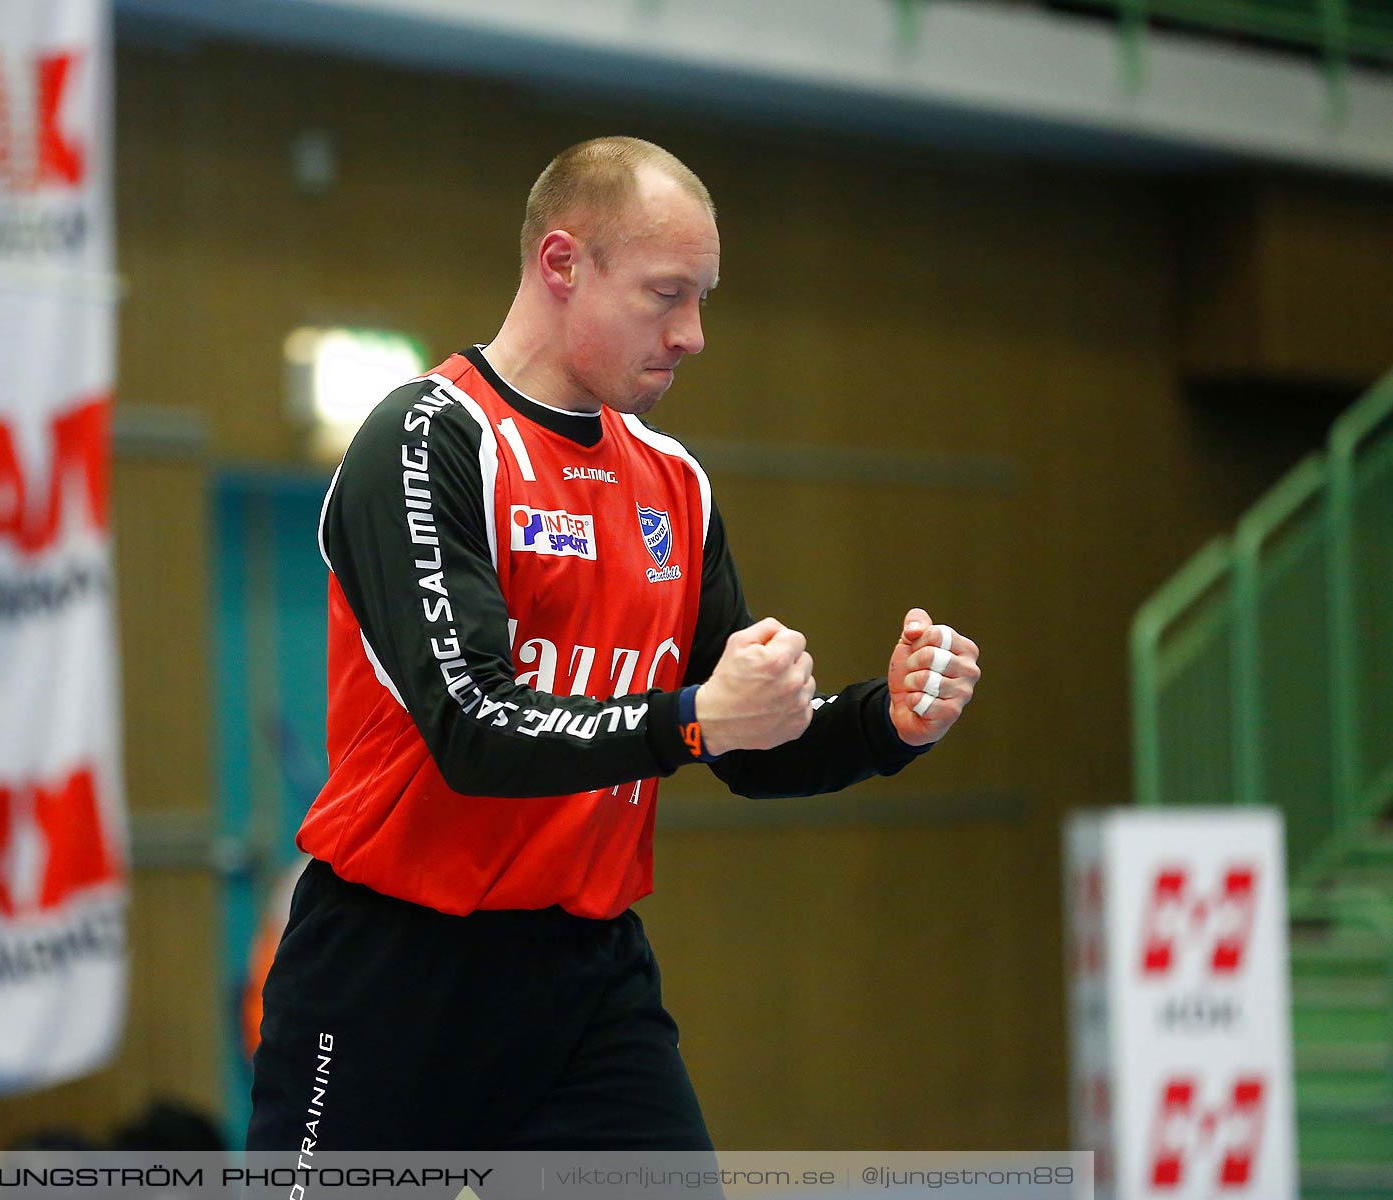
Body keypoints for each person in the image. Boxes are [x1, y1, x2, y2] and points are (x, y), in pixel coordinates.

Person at [246, 136, 982, 1154]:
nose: (693, 334)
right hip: (391, 971)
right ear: (561, 265)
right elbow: (476, 725)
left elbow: (749, 744)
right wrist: (689, 721)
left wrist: (884, 722)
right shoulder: (430, 439)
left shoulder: (675, 485)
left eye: (704, 298)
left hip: (584, 980)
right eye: (665, 294)